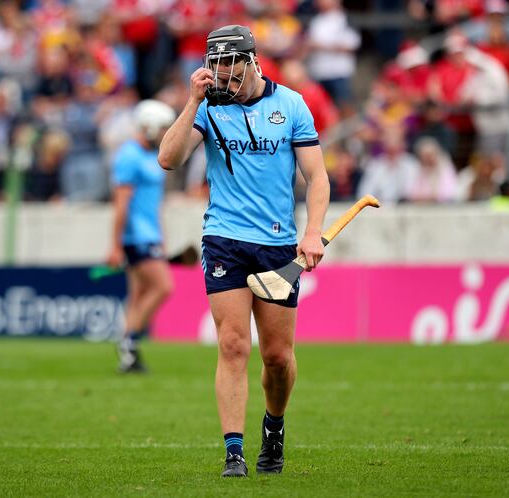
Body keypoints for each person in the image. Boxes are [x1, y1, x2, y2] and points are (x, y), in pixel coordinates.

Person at [157, 25, 329, 478]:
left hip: (276, 244)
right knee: (233, 345)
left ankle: (274, 427)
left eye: (231, 69)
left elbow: (317, 177)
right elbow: (168, 159)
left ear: (252, 62)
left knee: (277, 356)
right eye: (217, 68)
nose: (224, 78)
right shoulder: (209, 107)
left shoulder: (290, 104)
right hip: (224, 239)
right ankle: (233, 451)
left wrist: (312, 232)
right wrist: (192, 102)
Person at [108, 99, 177, 373]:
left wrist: (161, 234)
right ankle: (130, 339)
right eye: (161, 128)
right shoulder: (129, 155)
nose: (164, 133)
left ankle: (129, 353)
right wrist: (115, 244)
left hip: (149, 233)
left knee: (138, 293)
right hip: (136, 235)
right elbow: (121, 203)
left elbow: (154, 202)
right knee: (163, 287)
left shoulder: (150, 155)